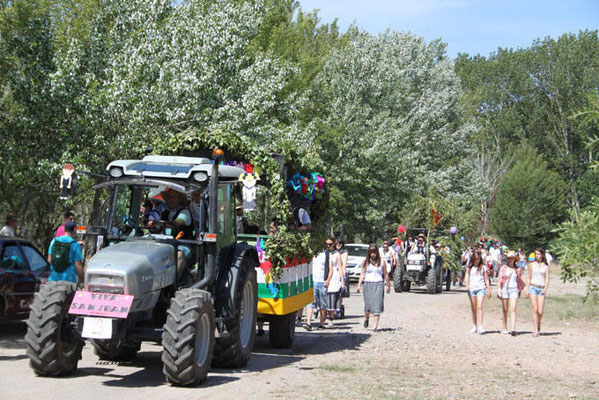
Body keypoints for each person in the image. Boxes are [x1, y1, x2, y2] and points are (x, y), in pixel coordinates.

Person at [357, 244, 391, 331]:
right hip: (368, 284)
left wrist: (388, 285)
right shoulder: (366, 261)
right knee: (368, 305)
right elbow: (362, 273)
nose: (373, 254)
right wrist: (359, 285)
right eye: (371, 252)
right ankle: (366, 318)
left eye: (374, 252)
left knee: (377, 304)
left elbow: (385, 274)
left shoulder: (382, 262)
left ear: (377, 253)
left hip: (378, 284)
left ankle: (375, 325)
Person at [304, 237, 335, 330]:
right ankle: (308, 322)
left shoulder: (328, 255)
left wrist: (328, 280)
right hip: (313, 281)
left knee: (322, 304)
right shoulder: (312, 254)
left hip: (322, 281)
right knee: (310, 302)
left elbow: (331, 269)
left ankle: (321, 323)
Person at [464, 250, 491, 334]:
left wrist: (489, 289)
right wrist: (467, 285)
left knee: (479, 307)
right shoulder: (469, 268)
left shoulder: (483, 267)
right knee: (473, 307)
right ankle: (474, 325)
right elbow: (466, 277)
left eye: (478, 259)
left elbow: (486, 279)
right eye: (475, 259)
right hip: (472, 289)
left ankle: (480, 326)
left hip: (481, 288)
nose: (477, 261)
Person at [498, 251, 525, 336]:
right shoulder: (503, 268)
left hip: (514, 289)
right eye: (508, 258)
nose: (509, 260)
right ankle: (505, 327)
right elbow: (500, 279)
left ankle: (513, 328)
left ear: (514, 259)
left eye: (511, 258)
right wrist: (499, 288)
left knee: (513, 308)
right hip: (505, 289)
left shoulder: (517, 269)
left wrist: (519, 290)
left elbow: (519, 280)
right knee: (505, 309)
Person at [526, 248, 550, 337]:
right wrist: (527, 288)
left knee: (540, 311)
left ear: (542, 255)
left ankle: (538, 322)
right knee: (534, 309)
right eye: (536, 254)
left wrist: (545, 288)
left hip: (541, 288)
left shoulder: (546, 266)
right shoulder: (532, 265)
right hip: (533, 287)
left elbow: (547, 278)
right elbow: (529, 277)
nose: (537, 256)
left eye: (538, 254)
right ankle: (535, 330)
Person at [325, 239, 344, 327]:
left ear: (334, 244)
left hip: (334, 277)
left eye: (330, 244)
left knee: (332, 297)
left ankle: (331, 319)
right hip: (323, 276)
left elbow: (340, 267)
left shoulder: (337, 254)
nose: (328, 246)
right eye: (327, 244)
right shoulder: (324, 253)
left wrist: (342, 280)